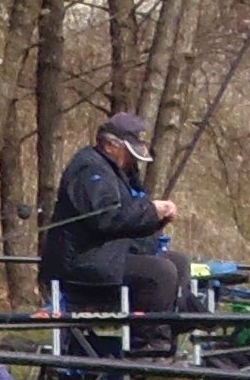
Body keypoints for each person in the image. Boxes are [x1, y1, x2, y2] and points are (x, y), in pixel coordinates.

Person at [40, 110, 185, 353]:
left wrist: (156, 219)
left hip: (108, 256)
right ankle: (147, 348)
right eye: (129, 152)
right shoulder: (89, 169)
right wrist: (151, 211)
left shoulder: (121, 172)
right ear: (110, 145)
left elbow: (130, 214)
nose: (133, 159)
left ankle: (171, 334)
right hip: (82, 263)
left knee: (179, 262)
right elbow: (105, 218)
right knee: (161, 272)